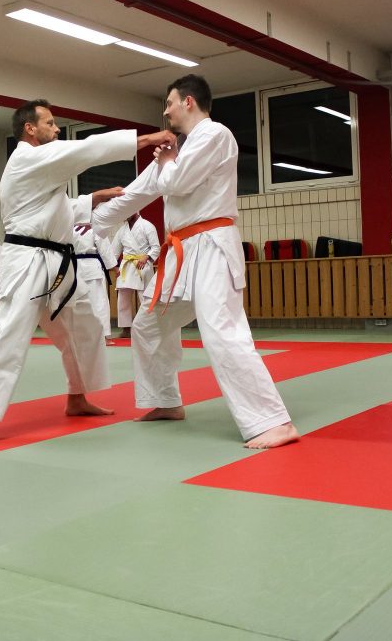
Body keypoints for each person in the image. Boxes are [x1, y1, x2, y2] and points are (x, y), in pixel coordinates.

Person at [0, 99, 175, 450]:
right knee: (10, 338)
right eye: (50, 123)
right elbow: (86, 150)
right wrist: (146, 139)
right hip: (28, 262)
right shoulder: (26, 158)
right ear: (30, 128)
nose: (56, 129)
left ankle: (77, 397)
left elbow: (56, 208)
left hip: (57, 262)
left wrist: (92, 198)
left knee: (84, 328)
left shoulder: (39, 170)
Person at [92, 74, 299, 450]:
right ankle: (166, 401)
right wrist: (90, 221)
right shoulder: (175, 151)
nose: (166, 111)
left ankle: (273, 421)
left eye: (169, 102)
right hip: (181, 253)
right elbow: (136, 194)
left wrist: (169, 161)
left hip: (212, 245)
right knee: (147, 326)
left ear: (188, 101)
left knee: (221, 329)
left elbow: (177, 183)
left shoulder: (215, 135)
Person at [111, 212, 159, 339]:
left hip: (143, 266)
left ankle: (147, 328)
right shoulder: (122, 230)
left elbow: (156, 248)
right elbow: (114, 252)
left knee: (145, 298)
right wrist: (115, 267)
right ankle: (126, 329)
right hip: (126, 266)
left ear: (136, 209)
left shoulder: (147, 226)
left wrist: (147, 257)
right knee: (123, 299)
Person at [74, 226, 117, 344]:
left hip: (75, 268)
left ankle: (81, 336)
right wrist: (114, 268)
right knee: (99, 303)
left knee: (78, 304)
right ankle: (103, 336)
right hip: (92, 268)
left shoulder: (69, 226)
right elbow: (104, 249)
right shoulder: (94, 227)